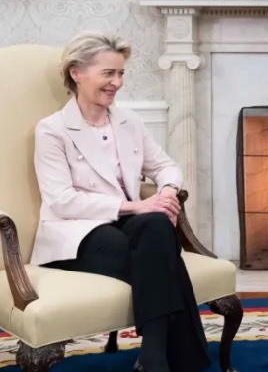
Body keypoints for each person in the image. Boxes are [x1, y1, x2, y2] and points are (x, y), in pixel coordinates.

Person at [30, 31, 211, 372]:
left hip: (129, 227)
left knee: (157, 227)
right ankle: (165, 360)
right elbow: (62, 200)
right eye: (108, 73)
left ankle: (154, 356)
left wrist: (167, 192)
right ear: (76, 73)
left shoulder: (128, 121)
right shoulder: (52, 130)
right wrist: (138, 206)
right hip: (76, 234)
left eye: (121, 73)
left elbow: (166, 166)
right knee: (163, 257)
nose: (117, 82)